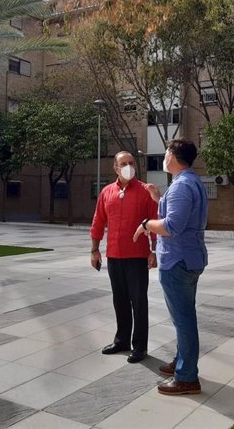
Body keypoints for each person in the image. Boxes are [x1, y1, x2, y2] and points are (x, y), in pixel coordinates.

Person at [133, 138, 208, 395]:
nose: (164, 157)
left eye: (166, 153)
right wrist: (158, 199)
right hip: (191, 258)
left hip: (178, 261)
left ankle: (187, 377)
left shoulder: (181, 187)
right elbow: (181, 217)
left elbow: (171, 227)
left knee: (184, 319)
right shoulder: (191, 182)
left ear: (174, 157)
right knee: (183, 316)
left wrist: (146, 224)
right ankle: (181, 362)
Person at [91, 151, 158, 364]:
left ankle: (140, 346)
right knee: (119, 300)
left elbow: (155, 222)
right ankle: (122, 341)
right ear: (115, 168)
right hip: (114, 256)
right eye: (123, 163)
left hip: (137, 256)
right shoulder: (107, 192)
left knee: (138, 302)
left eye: (131, 163)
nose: (128, 166)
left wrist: (153, 250)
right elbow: (98, 221)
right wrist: (94, 249)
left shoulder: (145, 191)